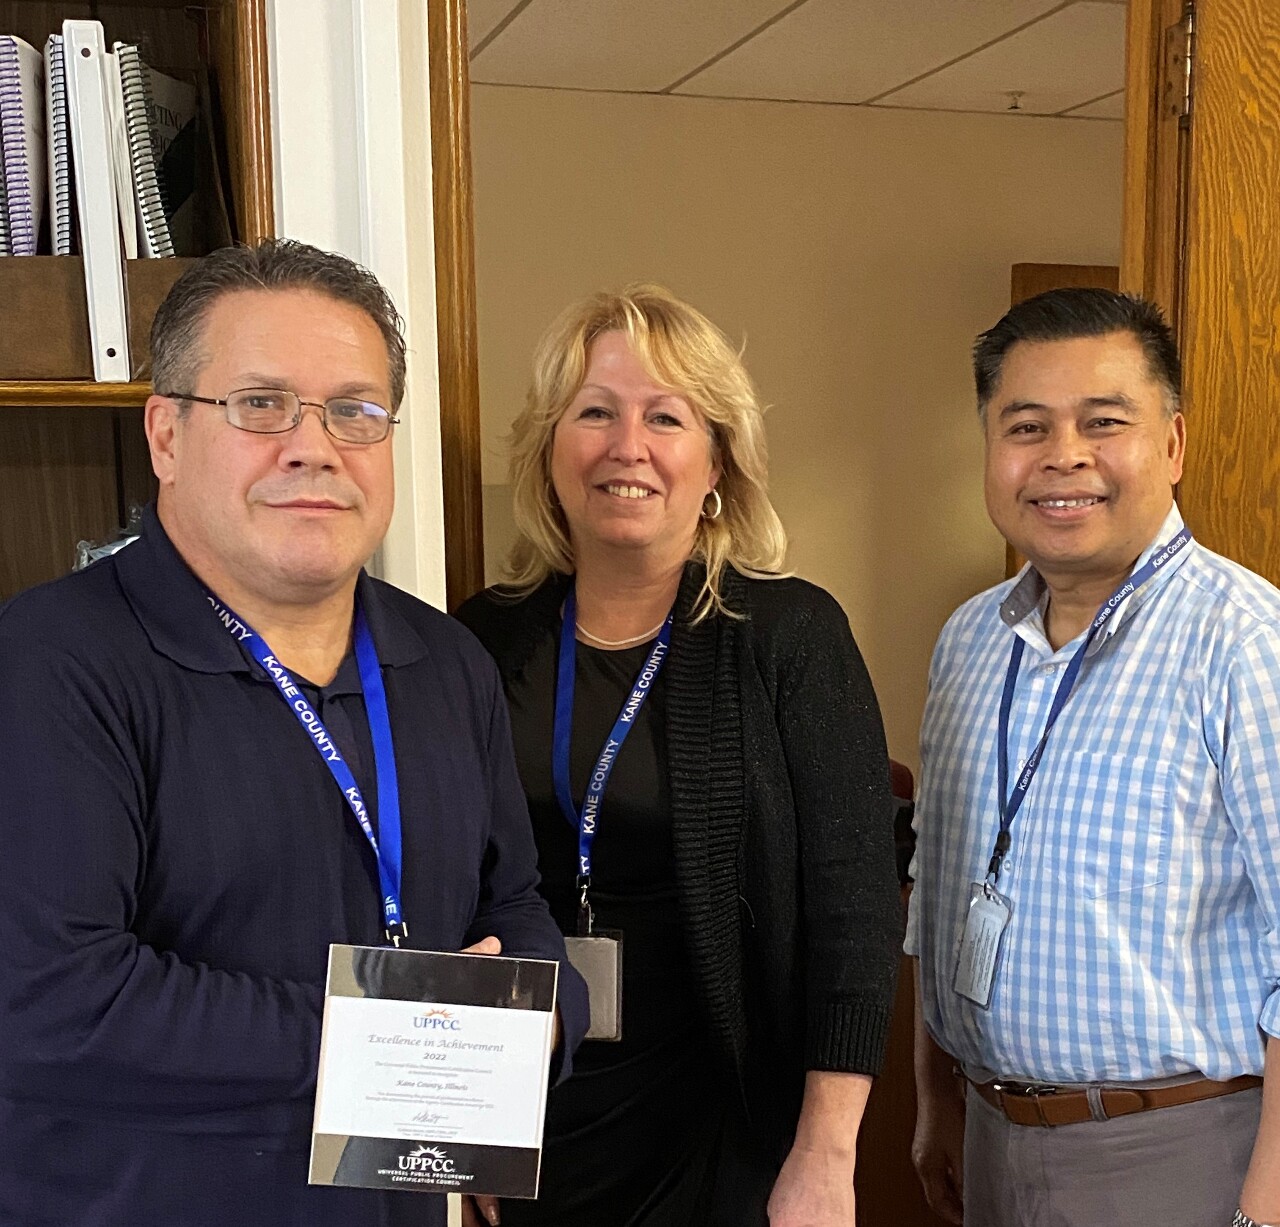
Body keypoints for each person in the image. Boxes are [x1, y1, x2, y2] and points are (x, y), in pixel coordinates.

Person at [0, 239, 587, 1227]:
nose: (314, 447)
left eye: (355, 410)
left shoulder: (448, 663)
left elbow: (513, 903)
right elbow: (52, 1000)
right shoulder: (51, 661)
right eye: (261, 404)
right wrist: (393, 1037)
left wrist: (546, 1021)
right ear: (167, 435)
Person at [456, 284, 901, 1227]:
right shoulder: (482, 641)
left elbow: (854, 913)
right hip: (544, 1114)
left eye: (666, 417)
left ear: (716, 463)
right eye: (595, 412)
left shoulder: (789, 635)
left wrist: (827, 1153)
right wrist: (473, 1112)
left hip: (731, 1120)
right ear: (549, 450)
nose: (629, 446)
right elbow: (456, 890)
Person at [907, 288, 1280, 1227]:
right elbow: (939, 889)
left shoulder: (1246, 646)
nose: (1063, 456)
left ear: (1173, 444)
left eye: (1104, 422)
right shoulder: (969, 641)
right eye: (1026, 426)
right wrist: (936, 1096)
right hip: (990, 1134)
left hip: (1183, 1153)